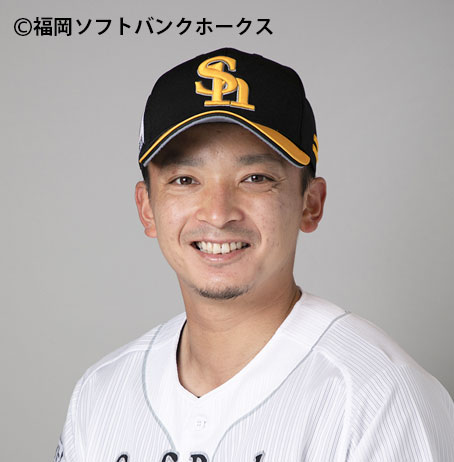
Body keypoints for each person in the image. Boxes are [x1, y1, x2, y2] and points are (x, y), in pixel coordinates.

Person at [55, 48, 454, 462]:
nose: (218, 213)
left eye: (255, 178)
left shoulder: (380, 397)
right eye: (185, 179)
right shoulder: (100, 394)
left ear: (310, 203)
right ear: (147, 208)